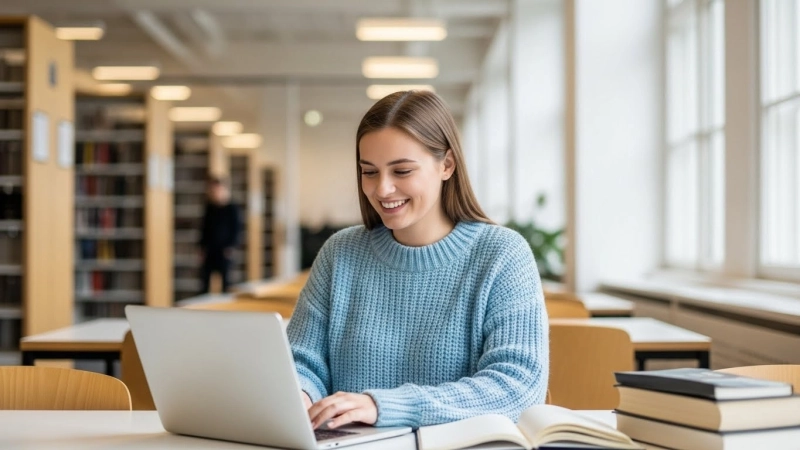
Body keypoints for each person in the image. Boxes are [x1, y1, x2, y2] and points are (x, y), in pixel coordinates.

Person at [286, 90, 549, 430]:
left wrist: (384, 406)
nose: (382, 189)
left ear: (447, 165)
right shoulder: (340, 254)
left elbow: (518, 389)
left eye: (402, 171)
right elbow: (300, 362)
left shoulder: (502, 255)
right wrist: (301, 395)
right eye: (369, 172)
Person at [198, 176, 241, 293]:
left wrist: (231, 247)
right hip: (210, 250)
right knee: (204, 282)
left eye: (217, 189)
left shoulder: (232, 208)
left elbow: (236, 230)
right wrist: (201, 247)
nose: (214, 193)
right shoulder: (209, 207)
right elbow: (204, 229)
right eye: (212, 190)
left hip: (224, 251)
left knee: (225, 283)